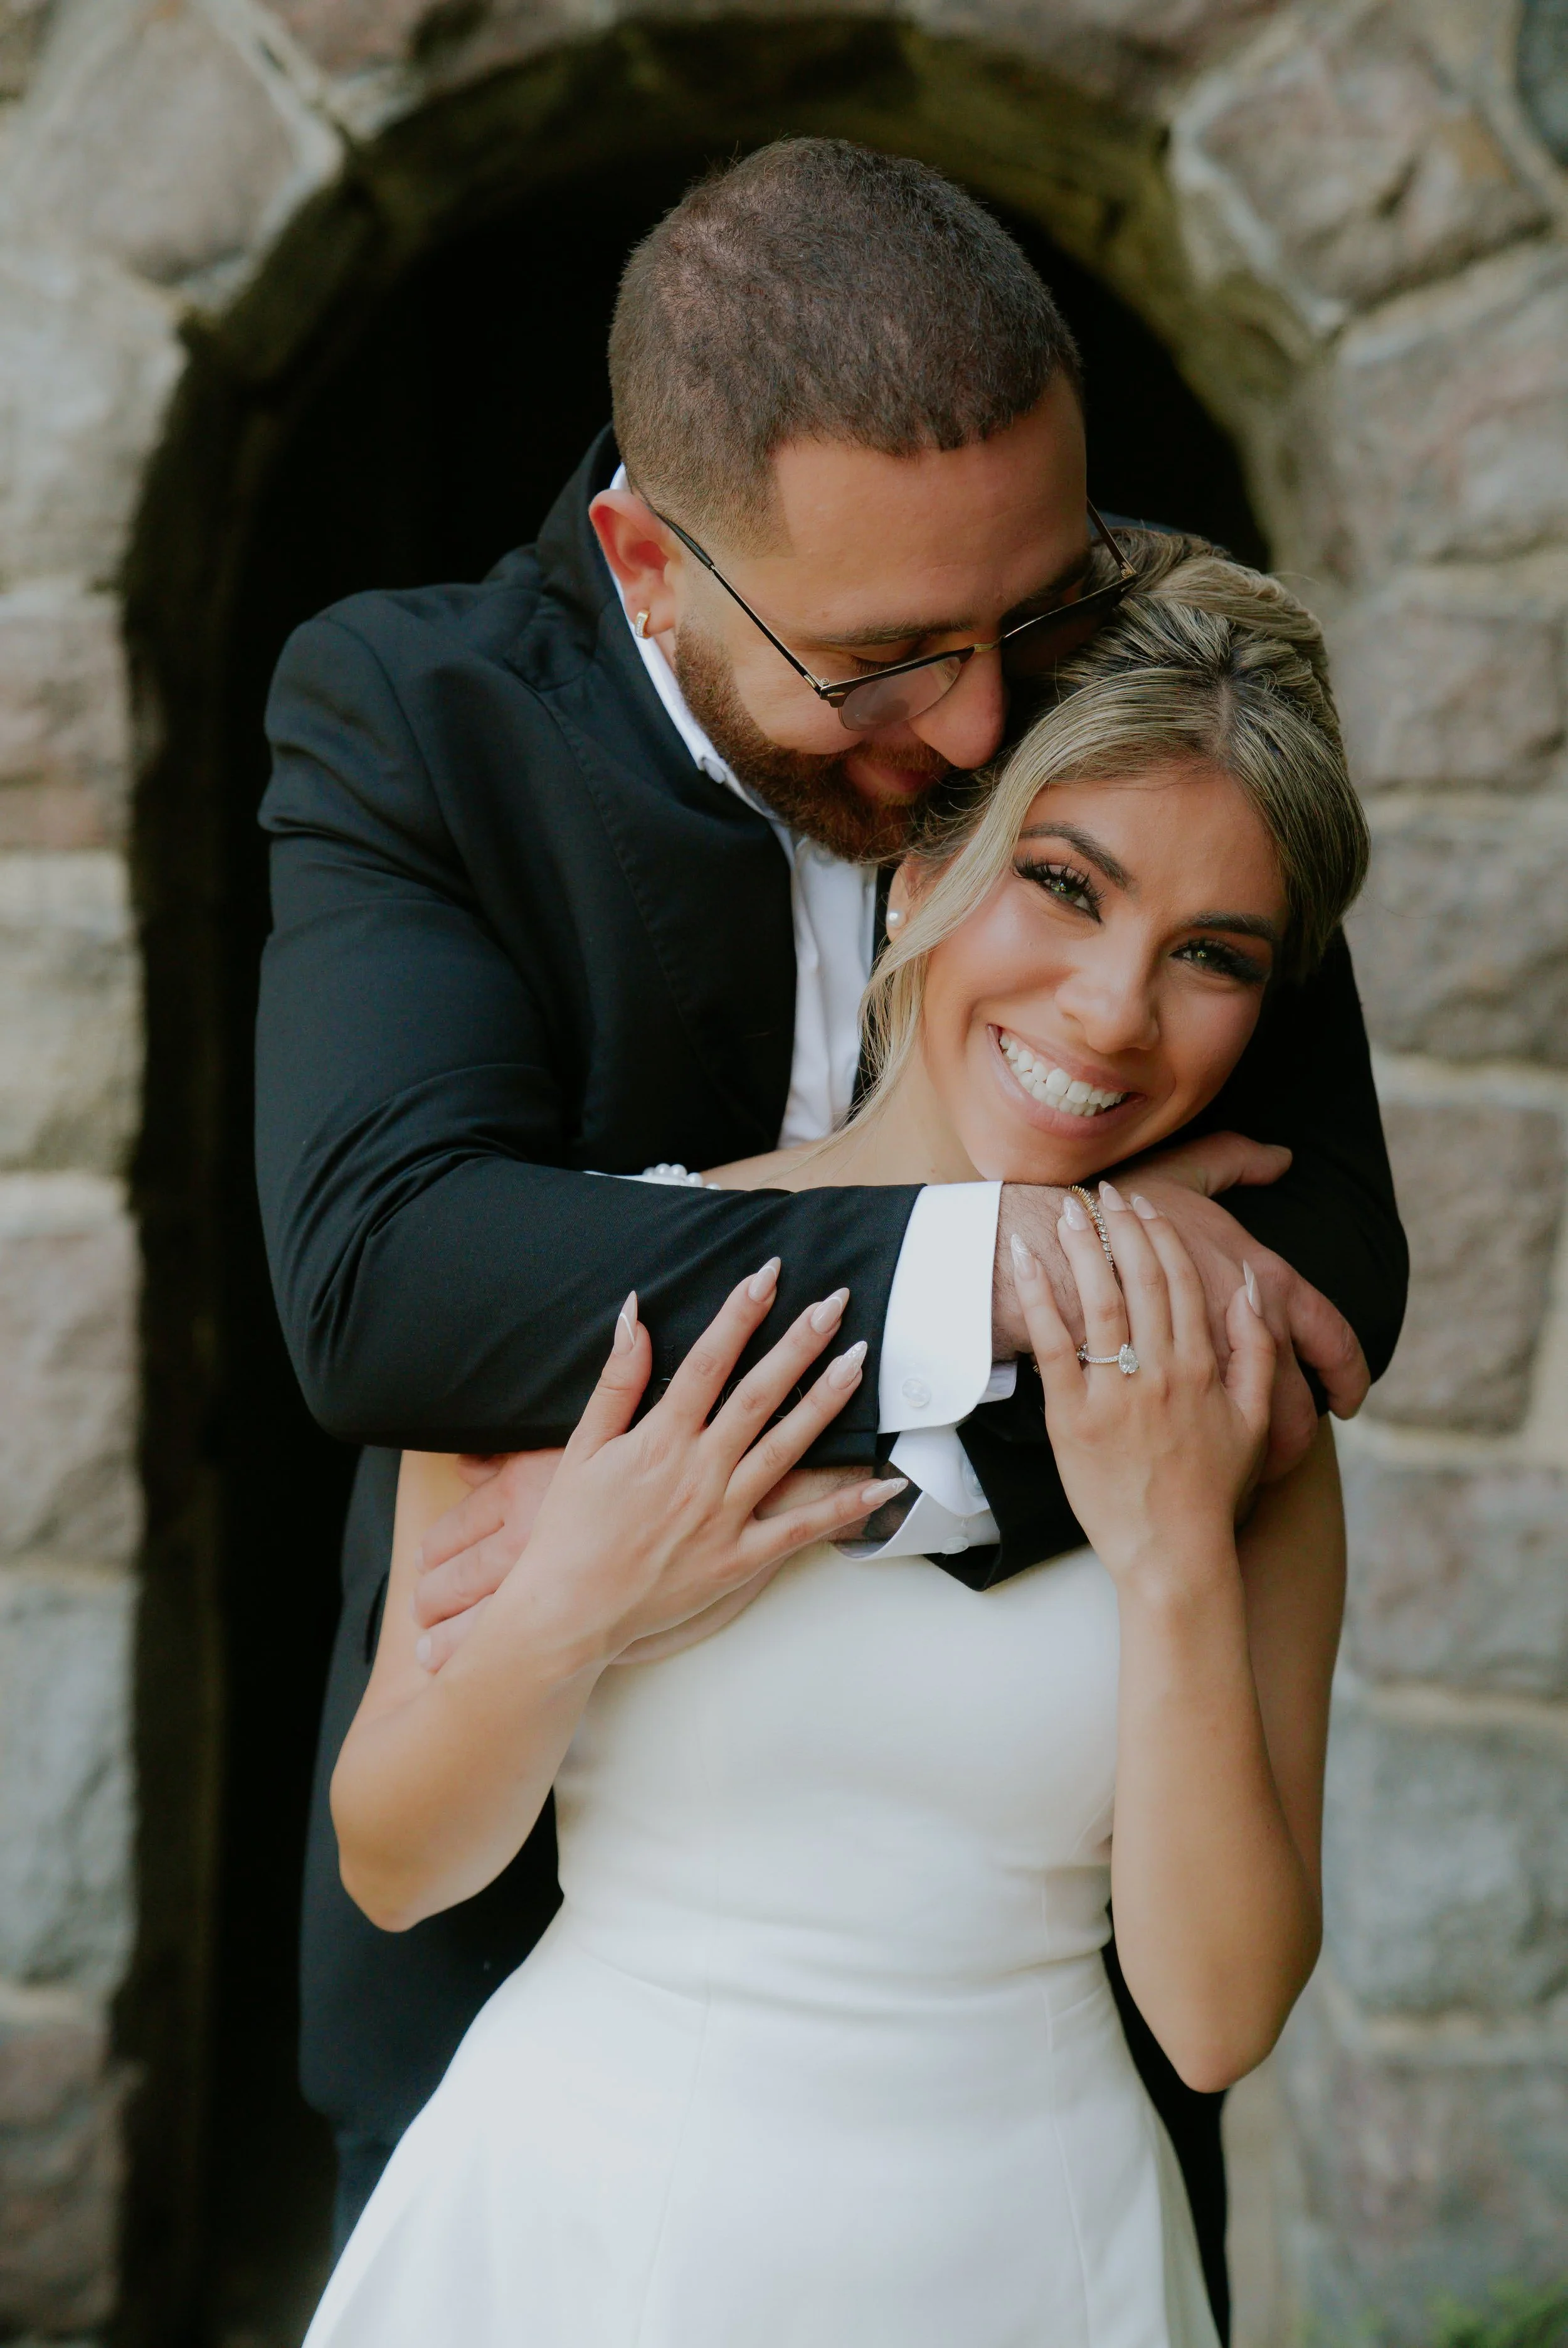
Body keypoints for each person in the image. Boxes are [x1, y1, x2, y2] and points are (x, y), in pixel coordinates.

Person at [255, 139, 1406, 2303]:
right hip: (550, 2045)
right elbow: (408, 1288)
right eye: (888, 667)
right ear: (652, 563)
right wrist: (1003, 1267)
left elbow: (1327, 1256)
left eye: (1022, 628)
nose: (978, 723)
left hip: (1019, 2110)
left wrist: (1163, 1521)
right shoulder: (419, 719)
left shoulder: (1106, 684)